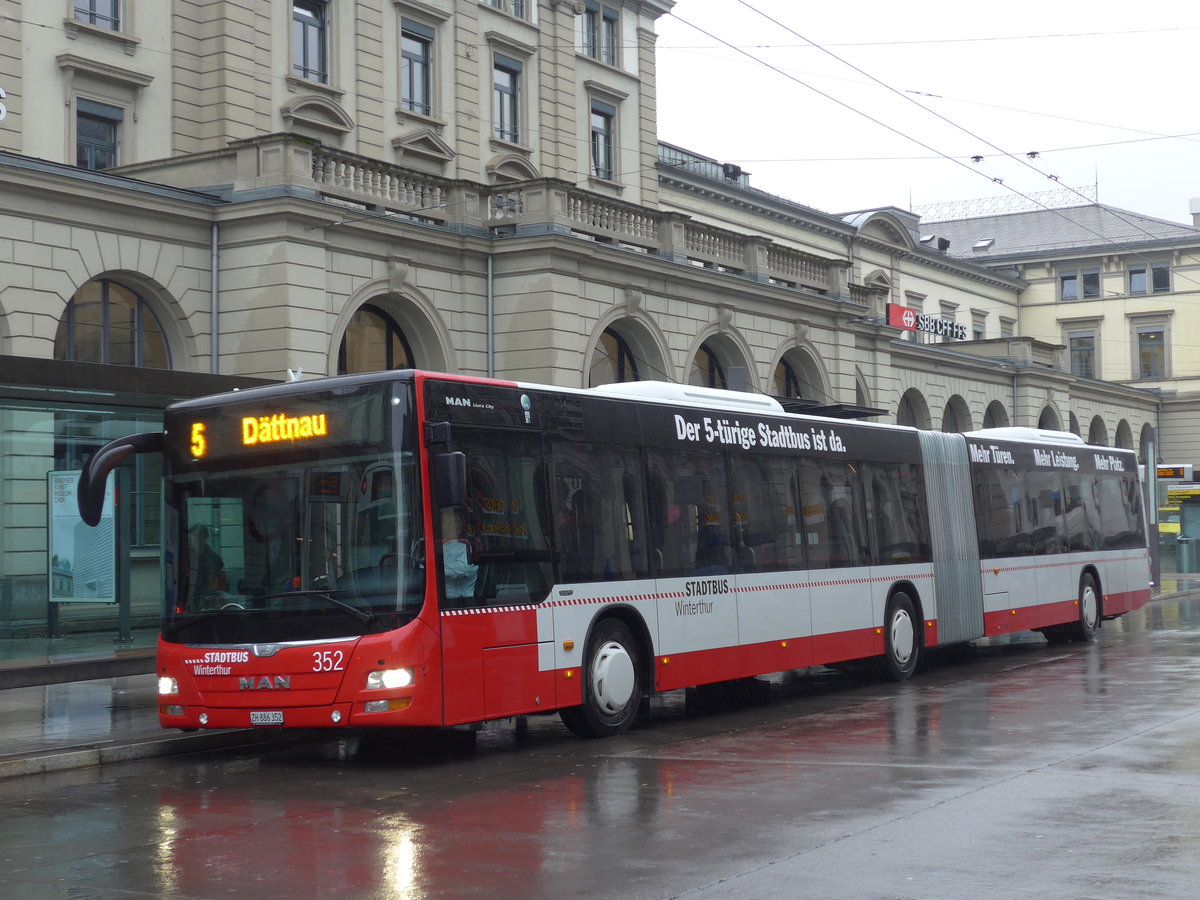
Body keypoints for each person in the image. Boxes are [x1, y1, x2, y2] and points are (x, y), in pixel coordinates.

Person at [439, 507, 478, 601]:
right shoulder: (435, 546)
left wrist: (435, 568)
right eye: (447, 522)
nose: (452, 525)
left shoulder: (466, 546)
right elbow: (421, 570)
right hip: (435, 600)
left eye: (456, 521)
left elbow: (461, 569)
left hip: (460, 603)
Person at [188, 524, 228, 598]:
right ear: (189, 536)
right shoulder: (184, 557)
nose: (197, 538)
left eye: (200, 536)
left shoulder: (215, 559)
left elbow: (218, 582)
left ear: (206, 537)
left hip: (207, 597)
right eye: (194, 535)